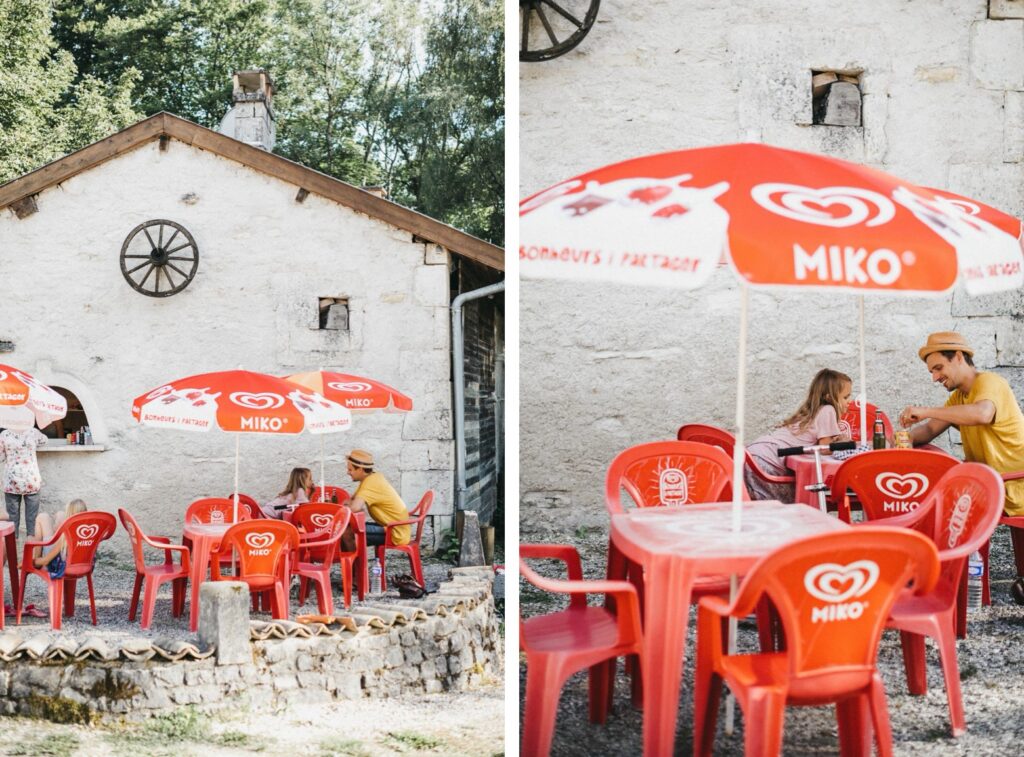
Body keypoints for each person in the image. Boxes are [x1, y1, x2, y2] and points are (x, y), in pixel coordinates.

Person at [899, 331, 1024, 516]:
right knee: (926, 489)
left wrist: (925, 411)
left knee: (931, 499)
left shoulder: (990, 381)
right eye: (932, 372)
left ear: (958, 357)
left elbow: (982, 414)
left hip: (1015, 487)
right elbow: (930, 429)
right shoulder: (959, 397)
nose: (935, 378)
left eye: (938, 368)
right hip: (992, 485)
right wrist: (904, 438)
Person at [744, 368, 853, 501]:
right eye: (845, 397)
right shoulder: (828, 410)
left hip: (756, 452)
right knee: (781, 506)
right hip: (770, 458)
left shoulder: (811, 411)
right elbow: (824, 449)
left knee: (760, 504)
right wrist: (843, 443)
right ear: (829, 397)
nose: (849, 401)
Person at [342, 449, 410, 551]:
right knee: (346, 528)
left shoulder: (370, 483)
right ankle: (351, 559)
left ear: (360, 469)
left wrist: (336, 512)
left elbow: (355, 507)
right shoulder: (372, 478)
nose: (348, 472)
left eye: (350, 469)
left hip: (395, 533)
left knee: (346, 532)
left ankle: (353, 561)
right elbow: (351, 501)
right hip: (391, 527)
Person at [0, 426, 48, 537]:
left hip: (12, 482)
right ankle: (31, 543)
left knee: (12, 517)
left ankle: (13, 543)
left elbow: (0, 458)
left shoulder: (4, 435)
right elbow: (45, 440)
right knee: (32, 518)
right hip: (31, 480)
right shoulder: (33, 432)